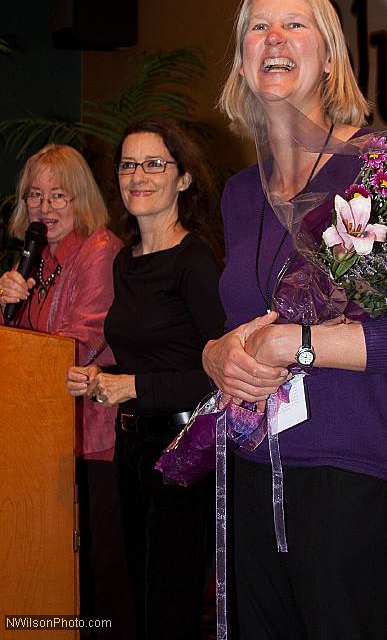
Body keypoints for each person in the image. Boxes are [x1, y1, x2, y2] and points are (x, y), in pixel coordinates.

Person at [202, 0, 387, 640]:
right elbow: (238, 324)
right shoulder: (237, 193)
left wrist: (299, 343)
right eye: (258, 27)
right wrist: (216, 356)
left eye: (295, 24)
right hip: (253, 476)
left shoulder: (386, 173)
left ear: (329, 58)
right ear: (241, 60)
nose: (274, 37)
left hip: (353, 481)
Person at [67, 120, 226, 640]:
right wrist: (103, 375)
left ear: (183, 179)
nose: (139, 176)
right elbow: (147, 356)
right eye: (129, 164)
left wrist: (132, 386)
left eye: (155, 163)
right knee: (136, 598)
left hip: (184, 451)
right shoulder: (125, 262)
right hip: (131, 446)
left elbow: (222, 375)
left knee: (169, 611)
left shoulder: (196, 262)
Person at [0, 144, 130, 639]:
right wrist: (5, 305)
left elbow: (80, 343)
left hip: (91, 437)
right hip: (45, 436)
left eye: (58, 195)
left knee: (99, 575)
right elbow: (19, 349)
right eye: (35, 195)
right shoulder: (40, 258)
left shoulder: (99, 253)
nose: (45, 207)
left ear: (80, 199)